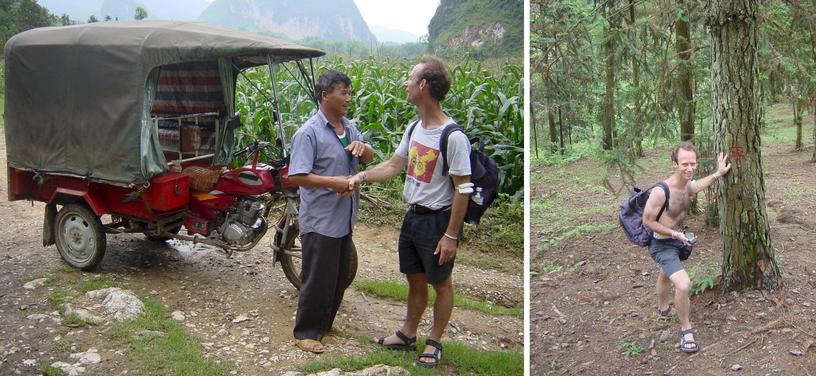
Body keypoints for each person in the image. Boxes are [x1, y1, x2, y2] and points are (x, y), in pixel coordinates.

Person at [347, 55, 471, 368]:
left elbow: (463, 189)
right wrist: (360, 177)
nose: (406, 83)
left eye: (411, 77)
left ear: (424, 85)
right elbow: (393, 165)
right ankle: (407, 334)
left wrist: (451, 235)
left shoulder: (452, 136)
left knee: (441, 283)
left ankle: (435, 341)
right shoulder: (414, 127)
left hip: (437, 220)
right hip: (413, 216)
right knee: (414, 279)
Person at [287, 70, 373, 353]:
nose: (348, 98)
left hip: (345, 215)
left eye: (350, 92)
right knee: (317, 277)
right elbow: (297, 176)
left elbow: (369, 157)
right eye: (343, 93)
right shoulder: (309, 132)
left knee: (338, 276)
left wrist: (364, 147)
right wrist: (332, 182)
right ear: (325, 95)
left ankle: (324, 323)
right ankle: (305, 332)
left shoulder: (349, 127)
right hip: (321, 218)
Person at [642, 142, 731, 354]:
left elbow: (697, 186)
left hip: (676, 240)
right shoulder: (660, 191)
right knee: (682, 284)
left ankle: (663, 306)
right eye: (684, 164)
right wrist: (674, 234)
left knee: (667, 272)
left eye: (693, 163)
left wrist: (718, 173)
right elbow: (647, 221)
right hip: (662, 244)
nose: (690, 168)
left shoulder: (685, 185)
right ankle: (686, 330)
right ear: (674, 163)